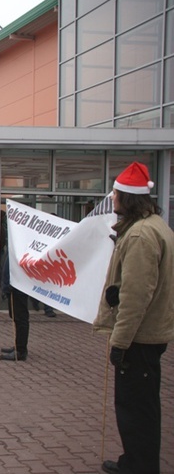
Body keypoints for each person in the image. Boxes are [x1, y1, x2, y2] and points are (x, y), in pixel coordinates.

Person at [93, 162, 174, 474]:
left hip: (139, 338)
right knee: (142, 406)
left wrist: (120, 341)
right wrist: (118, 290)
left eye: (115, 194)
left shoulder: (140, 235)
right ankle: (135, 461)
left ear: (127, 197)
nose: (112, 199)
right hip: (149, 333)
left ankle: (139, 466)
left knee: (135, 409)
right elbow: (139, 286)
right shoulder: (153, 226)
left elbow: (137, 296)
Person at [0, 251, 29, 361]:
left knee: (20, 318)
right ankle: (18, 345)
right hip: (13, 286)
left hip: (18, 286)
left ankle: (20, 350)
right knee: (15, 316)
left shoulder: (21, 246)